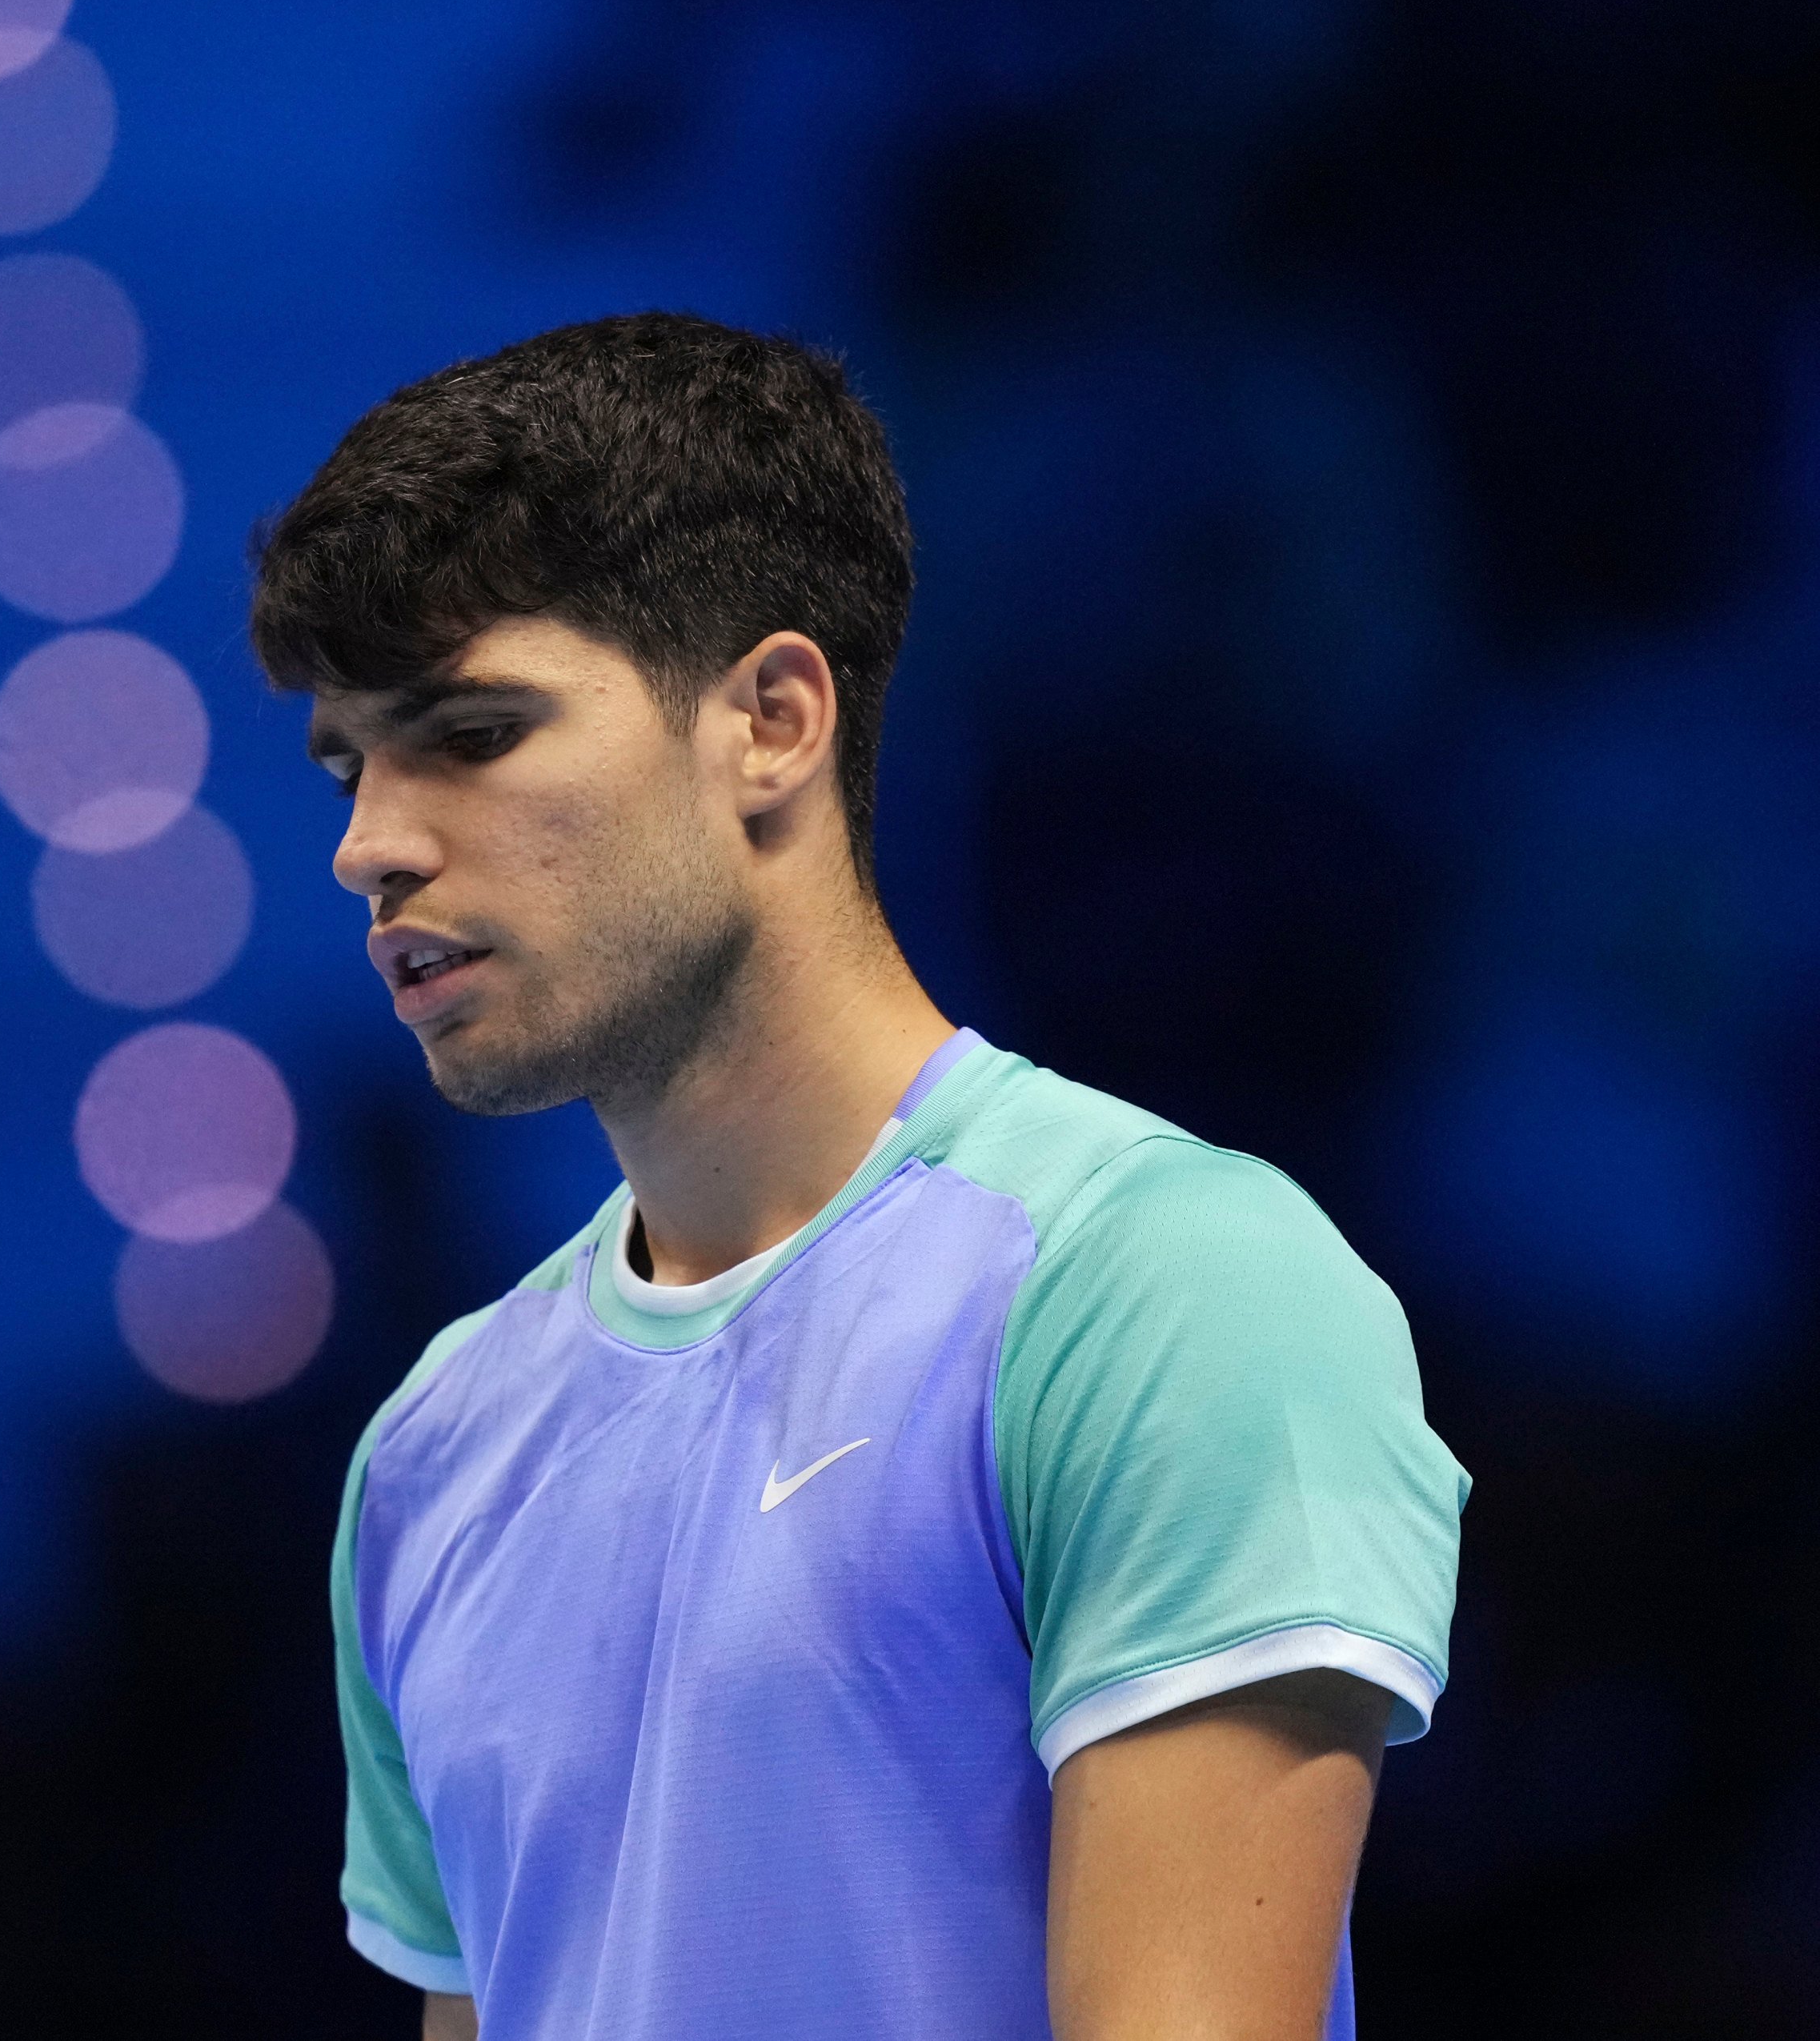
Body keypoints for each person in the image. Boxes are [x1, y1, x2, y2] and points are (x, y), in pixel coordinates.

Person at [250, 314, 1466, 2040]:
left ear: (768, 721)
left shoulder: (1156, 1287)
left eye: (467, 732)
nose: (368, 840)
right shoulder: (430, 1452)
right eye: (345, 764)